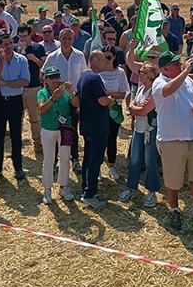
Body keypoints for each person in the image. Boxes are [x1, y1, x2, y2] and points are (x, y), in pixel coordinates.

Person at [152, 51, 193, 230]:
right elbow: (168, 91)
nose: (180, 65)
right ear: (165, 68)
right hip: (171, 141)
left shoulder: (187, 80)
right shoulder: (159, 83)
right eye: (175, 64)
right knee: (173, 180)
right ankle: (174, 210)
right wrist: (185, 72)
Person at [0, 34, 30, 181]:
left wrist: (6, 83)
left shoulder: (21, 59)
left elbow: (25, 81)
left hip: (15, 101)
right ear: (0, 45)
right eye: (5, 44)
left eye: (10, 43)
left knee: (16, 135)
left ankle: (18, 167)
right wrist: (1, 63)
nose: (8, 46)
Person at [42, 28, 87, 166]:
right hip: (57, 99)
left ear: (73, 40)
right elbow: (43, 75)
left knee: (72, 129)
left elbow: (83, 75)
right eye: (64, 38)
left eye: (69, 39)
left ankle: (74, 159)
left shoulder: (79, 55)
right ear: (59, 39)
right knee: (56, 129)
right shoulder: (52, 57)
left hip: (73, 98)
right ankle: (54, 161)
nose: (67, 41)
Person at [119, 62, 161, 208]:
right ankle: (130, 188)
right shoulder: (142, 88)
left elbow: (141, 110)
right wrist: (136, 109)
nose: (139, 74)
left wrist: (135, 109)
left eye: (142, 72)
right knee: (134, 159)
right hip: (138, 129)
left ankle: (152, 191)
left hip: (150, 130)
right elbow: (132, 105)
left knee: (150, 161)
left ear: (149, 75)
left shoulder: (155, 91)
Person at [38, 65, 80, 204]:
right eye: (52, 77)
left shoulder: (65, 92)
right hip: (48, 129)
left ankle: (63, 186)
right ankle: (47, 189)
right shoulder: (42, 93)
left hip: (65, 129)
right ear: (46, 80)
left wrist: (71, 91)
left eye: (57, 77)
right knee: (49, 159)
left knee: (65, 157)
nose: (55, 80)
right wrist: (53, 98)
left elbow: (76, 103)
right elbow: (42, 109)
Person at [77, 50, 113, 209]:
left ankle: (85, 186)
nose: (105, 63)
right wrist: (111, 100)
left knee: (88, 158)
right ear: (96, 61)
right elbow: (103, 100)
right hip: (98, 126)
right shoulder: (95, 78)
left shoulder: (83, 76)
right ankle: (90, 193)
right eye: (103, 60)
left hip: (87, 124)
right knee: (95, 160)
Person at [99, 45, 129, 180]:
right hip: (99, 110)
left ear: (114, 57)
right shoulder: (97, 72)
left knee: (111, 139)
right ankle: (98, 166)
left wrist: (108, 95)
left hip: (114, 111)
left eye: (109, 57)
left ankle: (111, 165)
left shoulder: (120, 72)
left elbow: (123, 93)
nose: (106, 60)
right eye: (103, 57)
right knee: (99, 139)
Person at [16, 25, 46, 155]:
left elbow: (44, 65)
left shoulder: (38, 47)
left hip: (34, 87)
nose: (23, 39)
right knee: (18, 117)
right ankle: (17, 143)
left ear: (30, 35)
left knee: (35, 117)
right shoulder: (15, 50)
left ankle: (38, 142)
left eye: (25, 36)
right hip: (18, 88)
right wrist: (18, 53)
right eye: (20, 36)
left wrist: (33, 58)